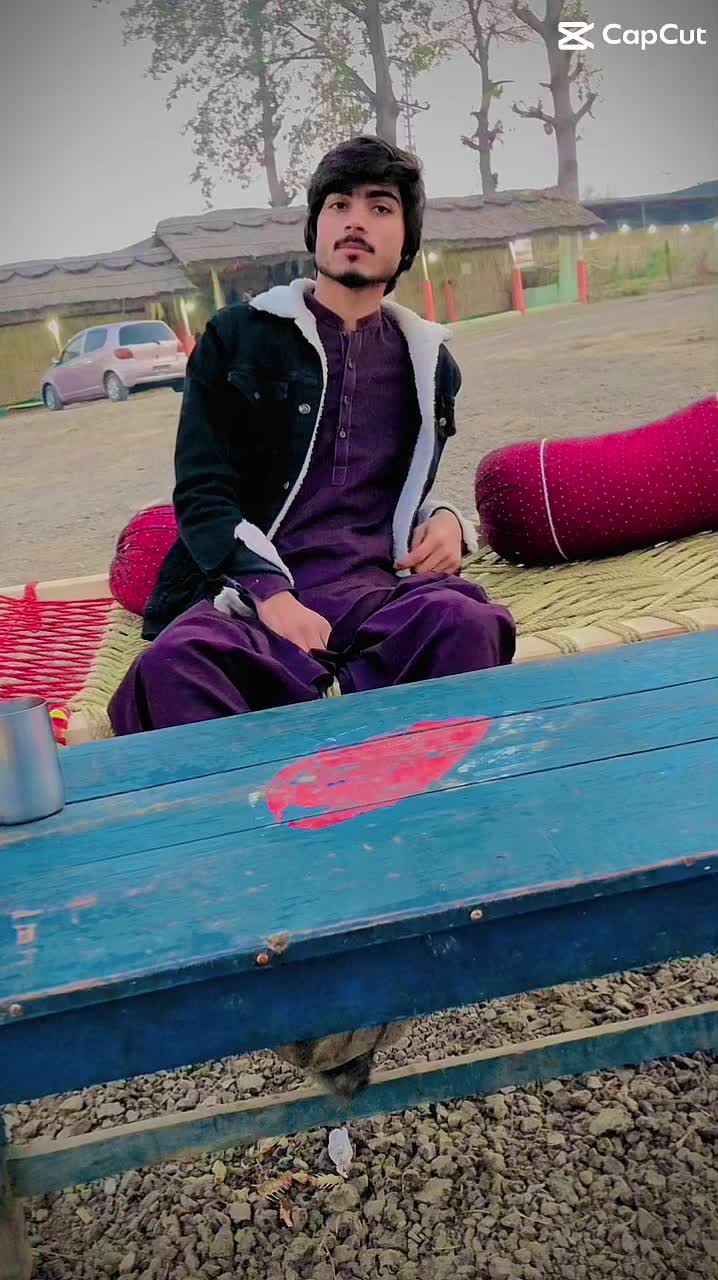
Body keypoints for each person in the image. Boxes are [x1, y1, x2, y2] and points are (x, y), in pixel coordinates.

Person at [109, 136, 515, 738]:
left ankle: (402, 777)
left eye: (380, 207)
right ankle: (281, 789)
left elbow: (393, 485)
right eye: (338, 204)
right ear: (315, 227)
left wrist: (448, 520)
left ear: (407, 241)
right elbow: (203, 493)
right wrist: (272, 598)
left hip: (378, 596)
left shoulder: (430, 365)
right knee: (173, 669)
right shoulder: (236, 338)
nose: (356, 220)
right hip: (251, 601)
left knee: (467, 624)